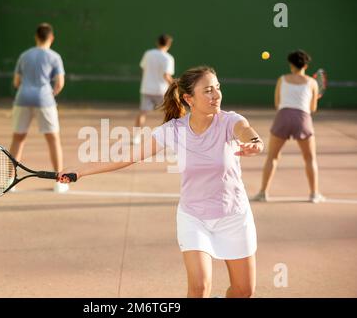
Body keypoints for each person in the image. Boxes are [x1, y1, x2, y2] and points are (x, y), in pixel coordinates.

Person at [59, 66, 264, 298]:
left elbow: (247, 131)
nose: (216, 95)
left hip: (233, 216)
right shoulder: (173, 131)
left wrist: (256, 143)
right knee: (199, 288)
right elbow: (126, 157)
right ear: (189, 98)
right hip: (194, 217)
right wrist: (81, 170)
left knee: (244, 291)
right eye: (208, 90)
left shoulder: (230, 121)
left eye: (217, 88)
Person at [253, 50, 324, 203]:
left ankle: (262, 193)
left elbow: (277, 103)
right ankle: (314, 194)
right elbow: (313, 109)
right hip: (302, 119)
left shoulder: (282, 79)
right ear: (305, 65)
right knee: (310, 158)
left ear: (291, 65)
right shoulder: (312, 83)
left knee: (272, 157)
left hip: (282, 117)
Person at [9, 23, 69, 193]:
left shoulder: (24, 55)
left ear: (36, 37)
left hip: (22, 99)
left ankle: (9, 181)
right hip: (45, 100)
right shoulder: (55, 57)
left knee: (18, 139)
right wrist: (50, 93)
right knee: (53, 139)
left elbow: (16, 82)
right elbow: (60, 83)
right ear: (51, 38)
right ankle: (60, 182)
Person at [133, 34, 175, 144]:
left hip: (146, 88)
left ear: (157, 42)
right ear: (169, 44)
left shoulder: (148, 54)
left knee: (142, 113)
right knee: (168, 114)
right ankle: (169, 138)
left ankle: (136, 137)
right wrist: (176, 85)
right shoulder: (168, 58)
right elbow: (166, 76)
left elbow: (143, 69)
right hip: (161, 91)